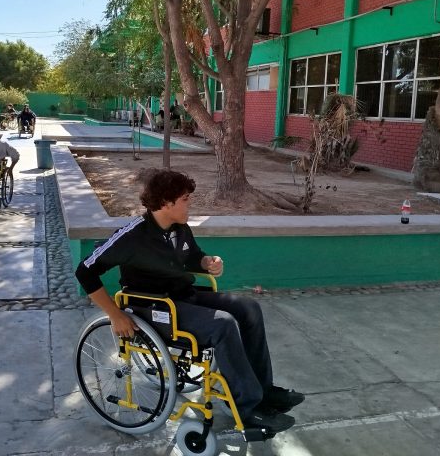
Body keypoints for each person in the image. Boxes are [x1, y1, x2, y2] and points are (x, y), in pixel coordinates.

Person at [75, 169, 304, 434]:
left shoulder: (179, 228)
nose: (190, 203)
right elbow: (85, 270)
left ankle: (263, 390)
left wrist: (207, 262)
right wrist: (115, 314)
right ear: (166, 203)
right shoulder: (132, 236)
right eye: (185, 199)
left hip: (184, 297)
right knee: (223, 324)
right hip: (154, 309)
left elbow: (192, 256)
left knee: (249, 308)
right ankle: (249, 407)